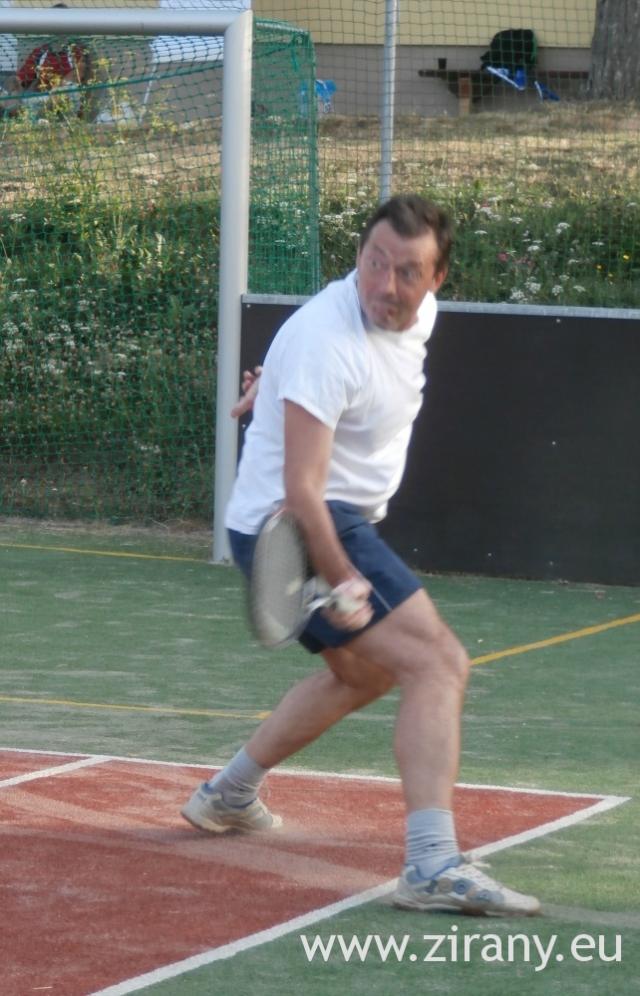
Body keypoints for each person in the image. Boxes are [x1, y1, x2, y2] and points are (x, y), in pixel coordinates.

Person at [181, 194, 541, 917]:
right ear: (358, 258)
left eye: (407, 272)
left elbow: (308, 364)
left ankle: (227, 795)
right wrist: (342, 579)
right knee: (438, 664)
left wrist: (272, 383)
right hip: (299, 523)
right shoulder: (328, 341)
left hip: (327, 516)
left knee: (364, 675)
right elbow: (302, 490)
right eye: (374, 264)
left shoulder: (413, 314)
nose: (386, 284)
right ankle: (431, 865)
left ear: (437, 279)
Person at [1, 4, 96, 120]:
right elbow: (20, 79)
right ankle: (24, 118)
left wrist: (51, 95)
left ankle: (36, 118)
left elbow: (72, 81)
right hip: (37, 100)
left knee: (63, 92)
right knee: (6, 96)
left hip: (64, 102)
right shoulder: (40, 52)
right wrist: (13, 87)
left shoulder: (77, 51)